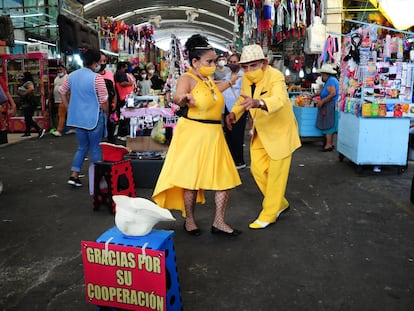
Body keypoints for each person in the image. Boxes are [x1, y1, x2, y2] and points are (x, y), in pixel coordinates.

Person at [152, 34, 242, 237]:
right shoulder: (187, 78)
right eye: (209, 61)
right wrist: (182, 98)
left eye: (214, 61)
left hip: (215, 134)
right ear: (195, 61)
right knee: (190, 180)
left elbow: (213, 89)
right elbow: (177, 96)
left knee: (224, 178)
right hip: (193, 133)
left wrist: (230, 82)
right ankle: (189, 220)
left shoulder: (207, 79)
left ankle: (219, 222)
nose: (213, 65)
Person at [225, 44, 301, 229]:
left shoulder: (276, 76)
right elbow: (243, 101)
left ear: (264, 64)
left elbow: (279, 99)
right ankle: (279, 203)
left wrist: (259, 102)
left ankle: (269, 213)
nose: (249, 70)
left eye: (254, 65)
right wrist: (235, 113)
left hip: (281, 133)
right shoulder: (247, 79)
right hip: (260, 132)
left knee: (276, 176)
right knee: (257, 170)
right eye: (246, 67)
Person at [59, 48, 108, 190]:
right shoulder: (97, 78)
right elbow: (104, 101)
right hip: (93, 118)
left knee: (82, 147)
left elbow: (61, 91)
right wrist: (108, 114)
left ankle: (74, 176)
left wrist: (68, 107)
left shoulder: (72, 76)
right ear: (95, 62)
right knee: (95, 148)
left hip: (78, 119)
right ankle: (99, 180)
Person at [222, 53, 247, 169]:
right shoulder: (227, 75)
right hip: (227, 108)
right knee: (229, 134)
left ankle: (239, 161)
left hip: (238, 108)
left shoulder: (243, 76)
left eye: (235, 62)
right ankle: (231, 158)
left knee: (237, 134)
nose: (232, 64)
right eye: (230, 62)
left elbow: (244, 92)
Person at [315, 63, 340, 152]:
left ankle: (328, 145)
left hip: (330, 105)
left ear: (325, 74)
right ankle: (329, 144)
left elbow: (332, 93)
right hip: (331, 105)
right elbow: (325, 92)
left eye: (322, 75)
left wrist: (322, 101)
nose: (322, 76)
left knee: (328, 125)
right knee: (330, 124)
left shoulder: (331, 81)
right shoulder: (330, 81)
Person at [18, 72, 45, 138]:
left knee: (28, 119)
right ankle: (27, 132)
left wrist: (24, 94)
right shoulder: (25, 83)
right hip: (26, 103)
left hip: (29, 103)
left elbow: (31, 88)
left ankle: (39, 129)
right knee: (27, 118)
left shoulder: (28, 83)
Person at [98, 51, 117, 144]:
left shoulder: (110, 74)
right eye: (100, 61)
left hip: (109, 105)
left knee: (111, 126)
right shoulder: (92, 75)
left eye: (104, 61)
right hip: (96, 107)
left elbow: (114, 90)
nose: (102, 63)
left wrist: (114, 102)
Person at [115, 62, 135, 140]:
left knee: (123, 116)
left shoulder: (117, 74)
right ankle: (123, 133)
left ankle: (121, 133)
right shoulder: (121, 74)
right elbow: (123, 83)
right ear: (121, 68)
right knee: (126, 116)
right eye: (125, 67)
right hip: (125, 98)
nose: (126, 69)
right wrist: (130, 83)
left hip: (122, 97)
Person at [51, 65, 69, 137]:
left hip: (65, 99)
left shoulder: (67, 77)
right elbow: (54, 87)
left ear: (64, 70)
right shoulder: (56, 78)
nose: (59, 71)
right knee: (65, 115)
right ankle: (72, 128)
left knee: (61, 115)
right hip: (57, 99)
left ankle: (59, 130)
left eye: (60, 69)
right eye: (58, 69)